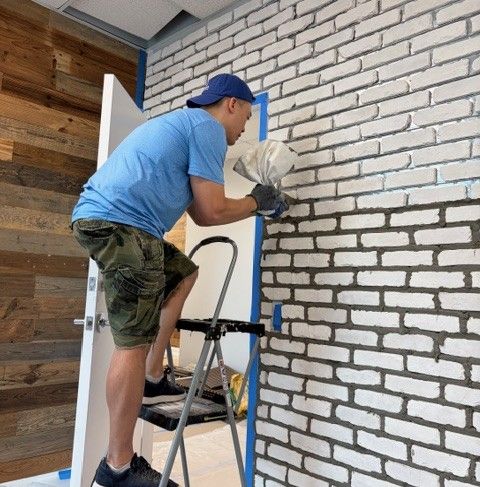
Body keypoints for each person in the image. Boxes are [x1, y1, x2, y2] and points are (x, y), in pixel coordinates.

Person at [71, 73, 288, 487]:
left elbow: (196, 210)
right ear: (230, 104)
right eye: (246, 115)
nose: (244, 127)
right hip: (121, 226)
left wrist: (248, 202)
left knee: (182, 273)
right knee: (130, 342)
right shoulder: (206, 127)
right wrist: (258, 201)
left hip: (122, 223)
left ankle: (153, 377)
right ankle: (117, 466)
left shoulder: (184, 127)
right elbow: (210, 213)